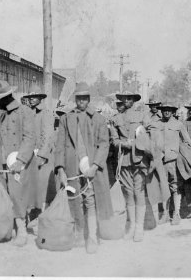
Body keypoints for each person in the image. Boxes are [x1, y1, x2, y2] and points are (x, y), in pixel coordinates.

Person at [55, 82, 114, 253]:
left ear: (88, 99)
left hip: (91, 167)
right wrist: (60, 169)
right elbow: (60, 145)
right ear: (75, 99)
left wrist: (95, 166)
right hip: (72, 167)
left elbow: (104, 145)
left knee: (90, 200)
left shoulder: (98, 119)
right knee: (74, 199)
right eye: (78, 98)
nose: (81, 101)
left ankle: (92, 237)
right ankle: (79, 234)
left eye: (84, 98)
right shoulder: (66, 118)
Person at [0, 80, 35, 247]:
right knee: (5, 194)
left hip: (18, 162)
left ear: (9, 96)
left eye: (1, 98)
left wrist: (21, 159)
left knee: (18, 195)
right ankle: (11, 227)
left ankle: (21, 229)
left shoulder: (25, 112)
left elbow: (29, 138)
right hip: (1, 162)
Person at [111, 90, 154, 242]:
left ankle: (139, 228)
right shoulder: (116, 118)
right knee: (128, 193)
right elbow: (115, 141)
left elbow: (150, 134)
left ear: (134, 100)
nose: (127, 101)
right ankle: (131, 227)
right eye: (124, 98)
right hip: (124, 160)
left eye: (130, 98)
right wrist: (124, 144)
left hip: (140, 159)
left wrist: (138, 144)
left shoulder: (142, 116)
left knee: (139, 192)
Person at [150, 102, 191, 225]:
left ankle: (176, 214)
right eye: (164, 110)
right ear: (161, 111)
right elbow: (150, 142)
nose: (167, 112)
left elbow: (188, 141)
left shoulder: (178, 124)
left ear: (173, 111)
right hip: (160, 161)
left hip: (174, 162)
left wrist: (189, 153)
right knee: (162, 187)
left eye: (169, 110)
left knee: (175, 187)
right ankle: (164, 214)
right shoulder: (155, 124)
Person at [22, 85, 54, 221]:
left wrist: (42, 155)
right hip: (30, 154)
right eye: (30, 97)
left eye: (34, 97)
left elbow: (48, 135)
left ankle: (41, 216)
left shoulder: (45, 113)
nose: (31, 99)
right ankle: (31, 215)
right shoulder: (28, 112)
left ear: (41, 98)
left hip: (42, 156)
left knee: (42, 187)